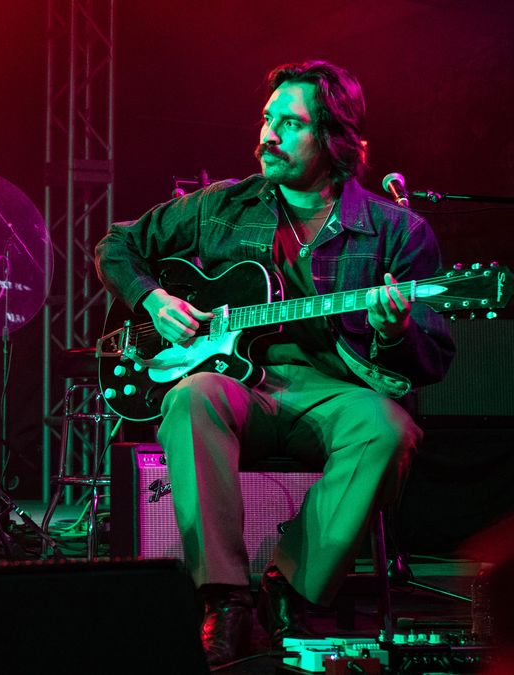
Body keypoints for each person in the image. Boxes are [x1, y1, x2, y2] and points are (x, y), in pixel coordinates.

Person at [96, 60, 454, 665]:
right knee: (191, 396)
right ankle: (226, 600)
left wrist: (394, 332)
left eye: (291, 124)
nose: (269, 135)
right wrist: (153, 301)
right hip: (246, 391)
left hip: (337, 390)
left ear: (335, 139)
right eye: (268, 120)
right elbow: (116, 245)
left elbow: (433, 358)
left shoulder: (396, 231)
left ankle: (285, 592)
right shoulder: (221, 208)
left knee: (389, 430)